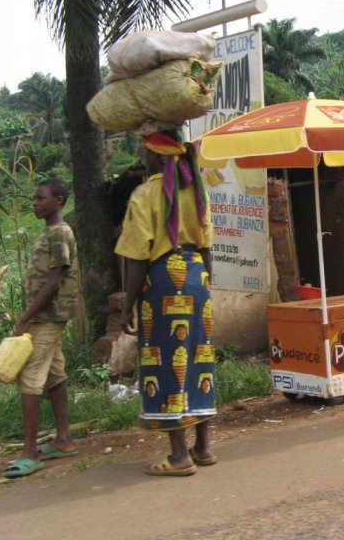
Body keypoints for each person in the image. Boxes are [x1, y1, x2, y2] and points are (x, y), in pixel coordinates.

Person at [116, 129, 216, 476]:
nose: (142, 158)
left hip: (162, 281)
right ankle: (202, 447)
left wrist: (127, 305)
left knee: (164, 360)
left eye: (145, 152)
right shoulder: (197, 192)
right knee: (198, 356)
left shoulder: (144, 194)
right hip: (197, 276)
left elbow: (138, 257)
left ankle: (178, 456)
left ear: (156, 156)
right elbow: (206, 247)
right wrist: (206, 286)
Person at [4, 179, 80, 479]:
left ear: (58, 201)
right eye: (33, 198)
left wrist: (26, 317)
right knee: (54, 374)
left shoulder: (60, 232)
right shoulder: (50, 232)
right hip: (47, 316)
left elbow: (55, 278)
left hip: (47, 316)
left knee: (30, 376)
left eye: (40, 198)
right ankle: (63, 439)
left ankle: (29, 451)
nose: (34, 202)